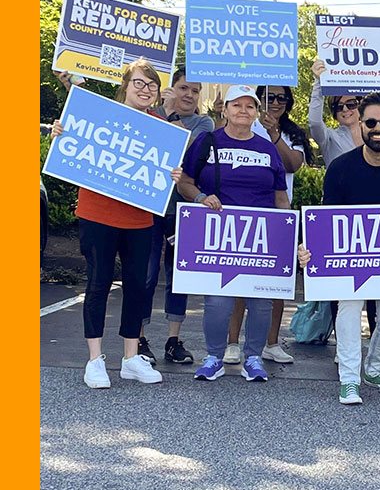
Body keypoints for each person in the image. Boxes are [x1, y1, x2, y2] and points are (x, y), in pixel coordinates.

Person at [51, 59, 181, 389]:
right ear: (125, 85)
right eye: (139, 83)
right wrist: (62, 132)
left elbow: (163, 168)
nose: (145, 89)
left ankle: (130, 358)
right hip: (97, 214)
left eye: (151, 85)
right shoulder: (101, 114)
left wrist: (173, 175)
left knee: (138, 286)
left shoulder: (161, 125)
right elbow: (73, 141)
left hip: (139, 217)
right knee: (99, 282)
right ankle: (94, 361)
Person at [297, 93, 380, 404]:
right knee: (347, 310)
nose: (378, 128)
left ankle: (373, 367)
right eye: (371, 122)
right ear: (360, 125)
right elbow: (325, 222)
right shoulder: (341, 169)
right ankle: (349, 379)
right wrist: (308, 249)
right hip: (350, 260)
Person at [177, 85, 290, 384]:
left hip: (260, 238)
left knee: (260, 302)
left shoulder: (267, 149)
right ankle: (214, 356)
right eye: (236, 105)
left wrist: (286, 234)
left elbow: (281, 197)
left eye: (249, 106)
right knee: (217, 302)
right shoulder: (207, 142)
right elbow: (185, 183)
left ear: (256, 113)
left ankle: (253, 357)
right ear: (224, 110)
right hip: (218, 236)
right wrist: (201, 198)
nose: (243, 111)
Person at [223, 84, 313, 366]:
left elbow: (293, 164)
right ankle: (232, 343)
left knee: (275, 285)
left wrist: (274, 132)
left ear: (288, 103)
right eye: (268, 97)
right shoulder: (245, 123)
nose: (274, 102)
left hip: (277, 216)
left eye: (281, 98)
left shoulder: (294, 133)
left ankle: (271, 343)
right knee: (238, 282)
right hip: (240, 213)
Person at [139, 66, 215, 365]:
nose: (190, 95)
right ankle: (139, 337)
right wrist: (163, 111)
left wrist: (168, 116)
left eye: (195, 91)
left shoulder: (203, 122)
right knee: (144, 274)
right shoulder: (148, 111)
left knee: (177, 277)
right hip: (146, 208)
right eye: (184, 88)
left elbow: (185, 149)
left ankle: (173, 340)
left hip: (181, 211)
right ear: (172, 88)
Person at [308, 58, 364, 167]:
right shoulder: (329, 138)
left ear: (359, 105)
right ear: (334, 113)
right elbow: (314, 124)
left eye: (351, 104)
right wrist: (319, 82)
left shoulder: (372, 133)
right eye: (338, 106)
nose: (345, 109)